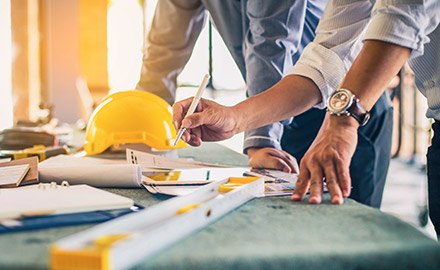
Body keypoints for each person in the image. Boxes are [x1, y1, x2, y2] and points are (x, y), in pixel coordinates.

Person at [172, 0, 440, 238]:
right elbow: (327, 56)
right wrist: (234, 118)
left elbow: (403, 16)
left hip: (358, 112)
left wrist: (343, 120)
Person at [137, 0, 393, 208]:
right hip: (276, 109)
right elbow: (164, 48)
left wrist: (262, 139)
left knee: (348, 234)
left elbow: (271, 43)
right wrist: (139, 121)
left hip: (349, 110)